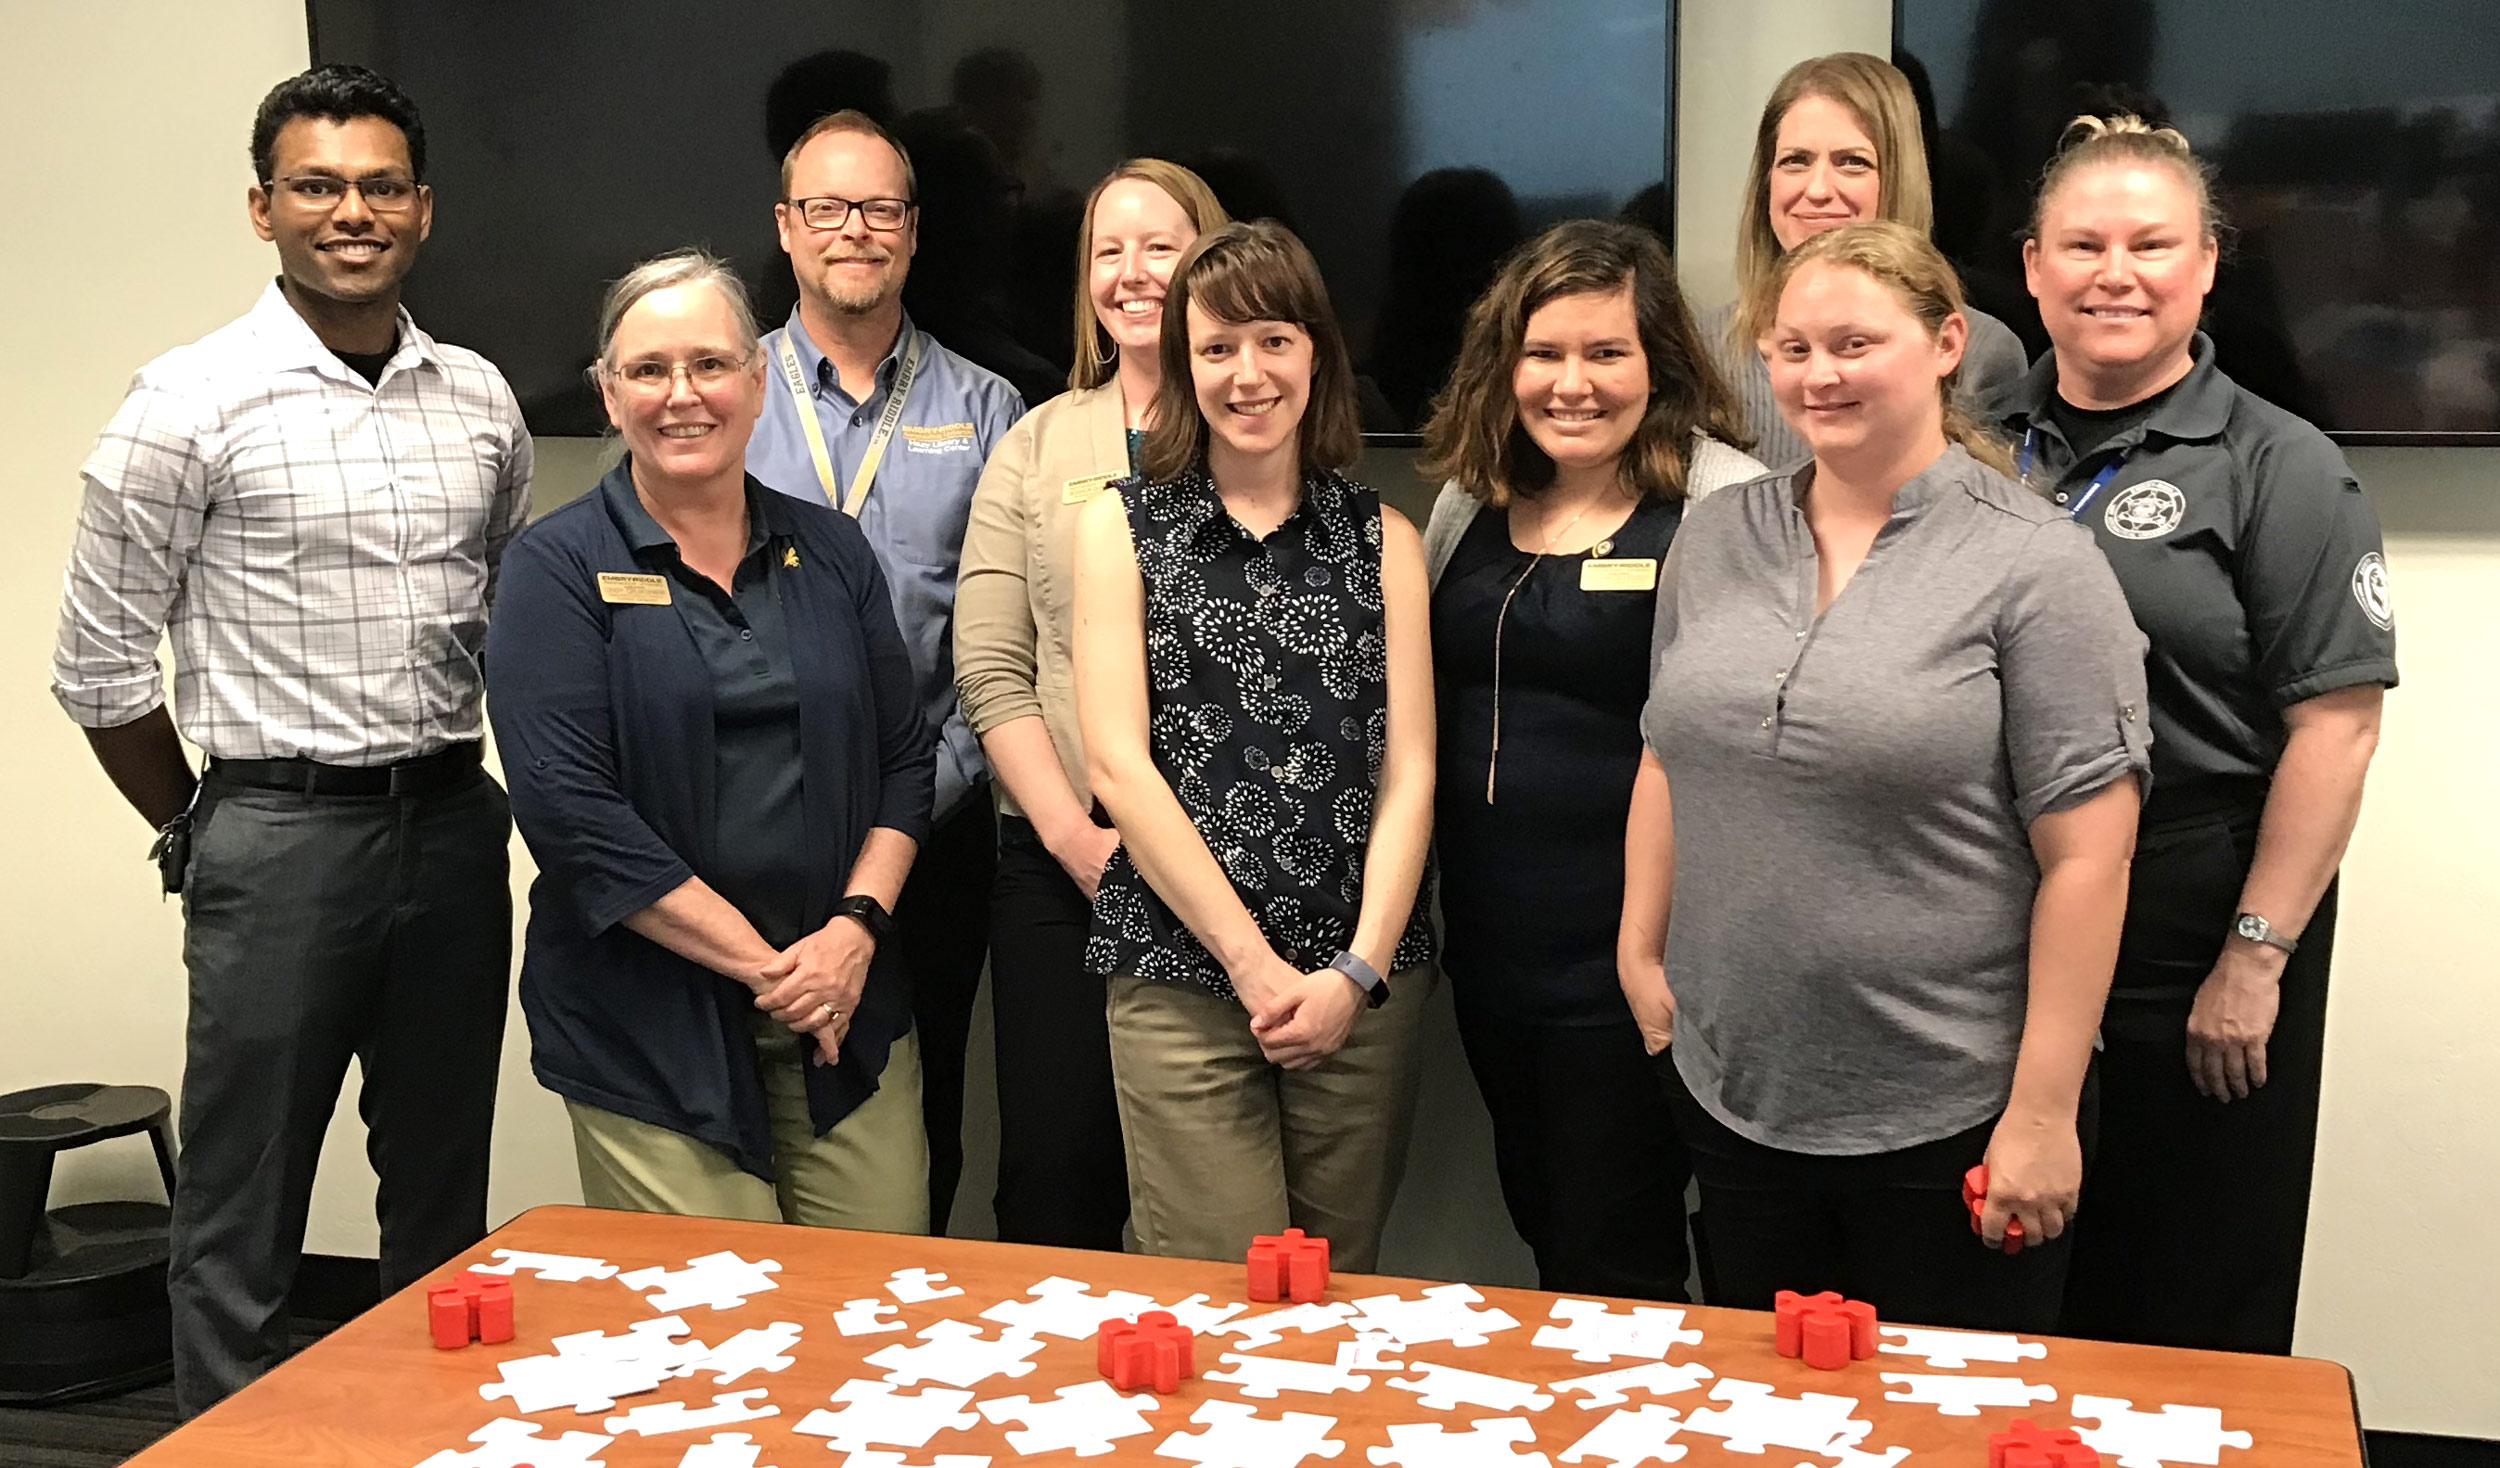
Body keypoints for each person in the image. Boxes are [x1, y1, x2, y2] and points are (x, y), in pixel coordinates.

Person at [48, 65, 529, 1417]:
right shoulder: (183, 403)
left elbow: (493, 616)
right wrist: (200, 827)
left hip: (448, 826)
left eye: (381, 186)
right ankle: (226, 1444)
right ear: (264, 209)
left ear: (422, 209)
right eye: (318, 185)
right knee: (243, 1201)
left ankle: (436, 1434)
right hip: (275, 837)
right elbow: (95, 669)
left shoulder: (479, 401)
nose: (352, 212)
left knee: (440, 1186)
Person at [1623, 221, 2149, 1330]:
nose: (1820, 374)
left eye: (1855, 342)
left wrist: (2042, 1115)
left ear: (1946, 342)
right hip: (1737, 1096)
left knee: (1945, 1435)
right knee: (1765, 1432)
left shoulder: (2035, 563)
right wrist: (1640, 954)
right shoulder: (1716, 536)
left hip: (1950, 1112)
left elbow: (2090, 861)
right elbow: (1667, 751)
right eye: (1792, 347)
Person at [1989, 116, 2397, 1355]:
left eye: (2151, 243)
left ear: (2207, 264)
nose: (2116, 272)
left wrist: (2255, 956)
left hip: (2195, 912)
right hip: (1999, 900)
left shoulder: (2282, 465)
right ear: (2030, 268)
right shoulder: (1973, 449)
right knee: (2014, 1271)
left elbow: (2334, 728)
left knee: (2189, 1283)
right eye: (2083, 244)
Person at [487, 250, 935, 1233]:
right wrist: (774, 970)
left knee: (882, 1306)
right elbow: (575, 822)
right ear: (609, 394)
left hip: (842, 1008)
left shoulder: (833, 551)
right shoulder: (552, 569)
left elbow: (906, 762)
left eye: (709, 364)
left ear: (758, 380)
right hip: (650, 1022)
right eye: (648, 370)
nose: (681, 395)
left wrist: (850, 936)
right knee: (718, 1330)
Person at [1071, 221, 1437, 1269]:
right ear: (1183, 368)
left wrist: (1352, 973)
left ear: (1316, 351)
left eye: (1273, 340)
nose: (1247, 373)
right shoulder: (1122, 527)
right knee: (1218, 1295)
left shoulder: (1386, 540)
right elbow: (1116, 766)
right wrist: (1254, 966)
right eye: (1216, 347)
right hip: (1186, 978)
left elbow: (1411, 772)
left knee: (1338, 1291)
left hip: (1358, 985)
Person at [1415, 219, 1762, 1300]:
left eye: (1605, 353)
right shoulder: (1468, 498)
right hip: (1491, 946)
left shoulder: (1721, 503)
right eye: (1546, 353)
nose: (1573, 383)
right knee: (1546, 1224)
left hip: (1641, 961)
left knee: (1623, 1253)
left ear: (1656, 361)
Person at [747, 108, 1025, 1235]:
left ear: (912, 232)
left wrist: (918, 797)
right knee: (751, 1105)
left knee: (927, 1102)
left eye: (879, 208)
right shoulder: (721, 391)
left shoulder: (990, 407)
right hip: (755, 826)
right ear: (785, 227)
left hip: (940, 833)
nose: (852, 230)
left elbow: (1006, 641)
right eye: (826, 207)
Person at [955, 160, 1228, 1250]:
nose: (1130, 273)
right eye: (1106, 251)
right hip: (1063, 866)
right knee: (1056, 1180)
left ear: (1209, 255)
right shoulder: (1035, 441)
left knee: (1209, 1191)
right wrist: (1075, 842)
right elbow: (989, 665)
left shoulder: (1258, 423)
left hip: (1229, 867)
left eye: (1159, 245)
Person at [1707, 53, 2030, 473]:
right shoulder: (1703, 347)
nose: (1818, 189)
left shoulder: (1983, 353)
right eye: (1795, 161)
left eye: (1852, 162)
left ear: (1899, 177)